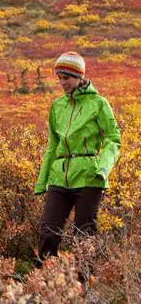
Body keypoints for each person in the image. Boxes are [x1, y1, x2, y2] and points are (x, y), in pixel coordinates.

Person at [34, 52, 120, 261]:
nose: (63, 83)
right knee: (48, 232)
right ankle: (48, 284)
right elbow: (52, 146)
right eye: (60, 78)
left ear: (79, 77)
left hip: (90, 177)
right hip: (59, 177)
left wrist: (102, 169)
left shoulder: (99, 103)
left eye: (67, 78)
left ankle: (83, 288)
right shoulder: (57, 106)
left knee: (84, 235)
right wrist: (42, 180)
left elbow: (113, 139)